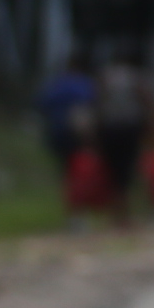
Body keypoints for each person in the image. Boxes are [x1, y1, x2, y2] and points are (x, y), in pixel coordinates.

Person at [92, 48, 154, 227]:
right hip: (129, 128)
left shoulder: (105, 77)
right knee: (130, 170)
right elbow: (147, 102)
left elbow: (97, 104)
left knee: (114, 172)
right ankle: (138, 213)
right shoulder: (136, 77)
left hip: (110, 128)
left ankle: (119, 214)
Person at [35, 45, 101, 224]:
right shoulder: (86, 84)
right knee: (80, 172)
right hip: (78, 135)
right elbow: (95, 108)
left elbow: (41, 105)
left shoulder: (56, 83)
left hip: (57, 133)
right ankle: (79, 213)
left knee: (66, 174)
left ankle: (71, 214)